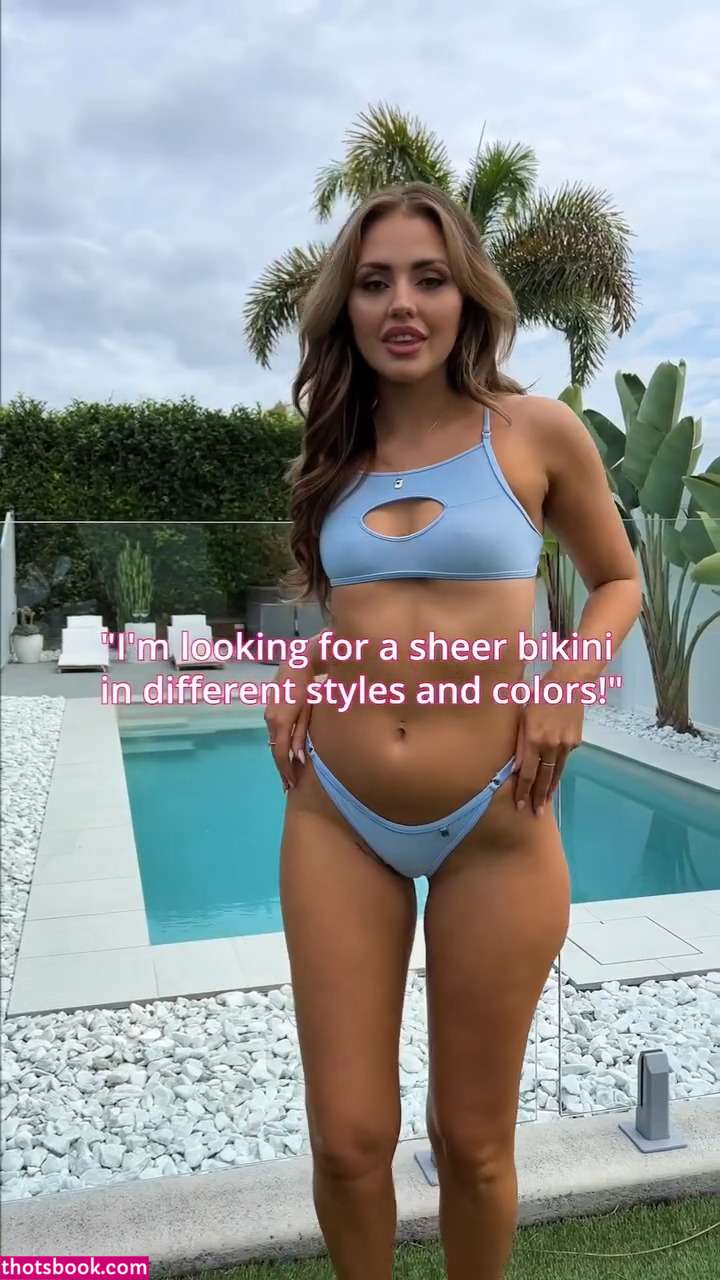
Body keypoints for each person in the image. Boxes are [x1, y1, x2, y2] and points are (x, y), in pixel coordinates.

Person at [264, 181, 642, 1280]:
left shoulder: (534, 431)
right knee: (347, 1141)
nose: (402, 304)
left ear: (466, 294)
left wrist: (568, 673)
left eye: (428, 278)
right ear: (345, 306)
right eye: (374, 281)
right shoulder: (336, 447)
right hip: (338, 811)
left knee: (472, 1144)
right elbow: (357, 608)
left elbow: (618, 580)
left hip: (496, 818)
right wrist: (304, 660)